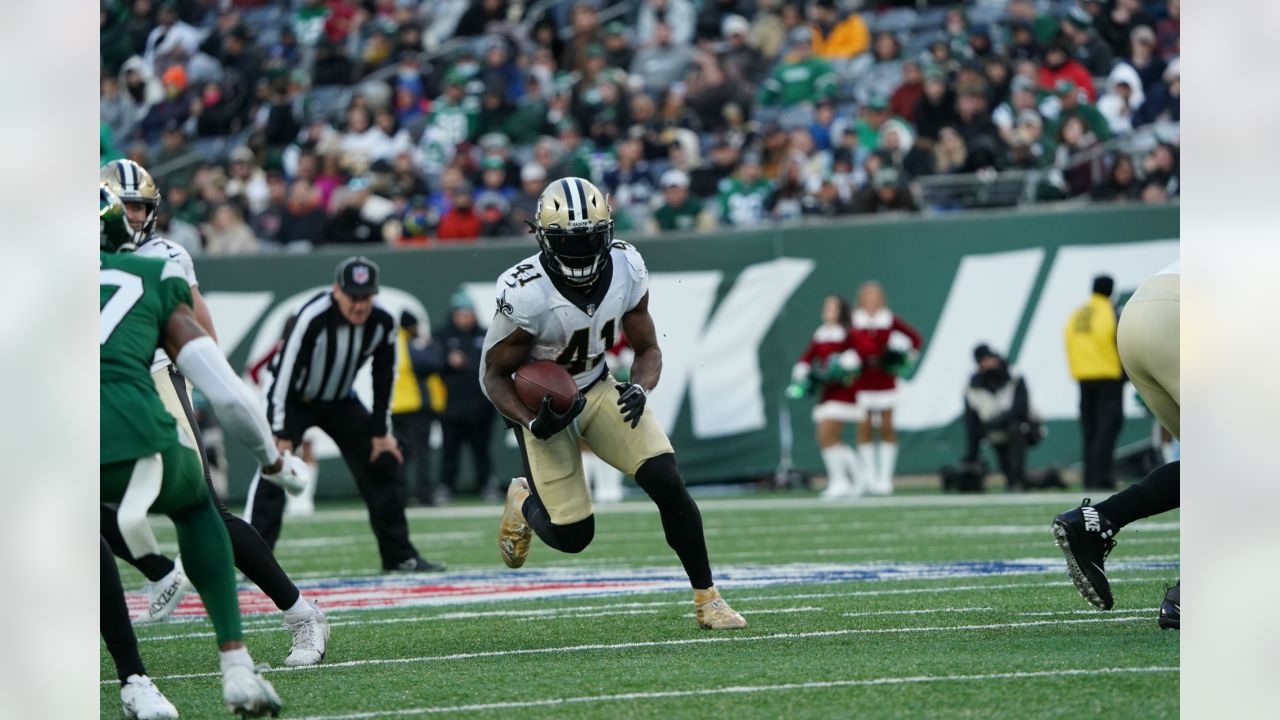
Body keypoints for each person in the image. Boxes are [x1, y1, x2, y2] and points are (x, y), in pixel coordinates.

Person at [480, 176, 747, 630]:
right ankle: (524, 499)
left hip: (599, 385)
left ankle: (708, 597)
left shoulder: (627, 266)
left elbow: (648, 348)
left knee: (666, 477)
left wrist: (640, 386)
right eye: (570, 241)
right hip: (545, 405)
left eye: (590, 239)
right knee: (573, 536)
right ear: (543, 237)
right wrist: (529, 420)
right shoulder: (525, 289)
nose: (582, 252)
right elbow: (493, 375)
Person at [99, 160, 329, 668]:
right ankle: (158, 573)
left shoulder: (166, 255)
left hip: (154, 376)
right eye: (123, 206)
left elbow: (200, 331)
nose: (131, 217)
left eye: (139, 206)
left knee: (204, 510)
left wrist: (207, 379)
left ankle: (299, 612)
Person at [249, 256, 447, 573]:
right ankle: (255, 561)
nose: (359, 306)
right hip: (296, 398)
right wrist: (281, 432)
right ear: (336, 291)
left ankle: (399, 556)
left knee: (384, 462)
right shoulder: (313, 316)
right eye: (353, 297)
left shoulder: (382, 320)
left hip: (341, 400)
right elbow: (283, 375)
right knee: (276, 467)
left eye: (366, 296)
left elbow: (384, 377)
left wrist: (382, 434)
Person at [1052, 261, 1179, 629]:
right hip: (1181, 317)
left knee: (1215, 465)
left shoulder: (1082, 311)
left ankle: (1097, 520)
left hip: (1138, 318)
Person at [848, 281, 923, 495]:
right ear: (861, 299)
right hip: (862, 382)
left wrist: (903, 361)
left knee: (887, 427)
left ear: (881, 299)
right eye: (867, 296)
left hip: (885, 380)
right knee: (864, 428)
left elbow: (915, 339)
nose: (871, 300)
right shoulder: (853, 321)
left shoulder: (889, 320)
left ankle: (885, 478)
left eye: (875, 296)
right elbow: (844, 346)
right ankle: (870, 476)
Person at [791, 295, 870, 499]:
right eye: (826, 307)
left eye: (833, 308)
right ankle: (848, 478)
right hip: (826, 393)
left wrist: (848, 361)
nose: (828, 310)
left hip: (844, 392)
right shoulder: (821, 333)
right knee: (826, 438)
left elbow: (864, 351)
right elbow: (808, 356)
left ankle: (847, 479)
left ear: (841, 311)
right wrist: (803, 369)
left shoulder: (848, 333)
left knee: (828, 434)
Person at [427, 292, 497, 502]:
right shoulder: (442, 336)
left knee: (482, 450)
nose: (465, 317)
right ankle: (446, 486)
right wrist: (447, 360)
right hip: (451, 406)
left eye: (469, 313)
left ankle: (486, 484)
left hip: (480, 404)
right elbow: (429, 363)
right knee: (450, 451)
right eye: (461, 313)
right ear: (454, 314)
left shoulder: (485, 334)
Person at [1064, 274, 1125, 490]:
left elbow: (1068, 340)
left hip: (1083, 377)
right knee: (1107, 428)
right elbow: (1122, 341)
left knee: (1089, 429)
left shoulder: (1078, 313)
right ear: (1110, 291)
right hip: (1108, 376)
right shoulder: (1109, 312)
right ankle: (1102, 477)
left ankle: (1089, 477)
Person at [963, 345, 1040, 492]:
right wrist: (972, 455)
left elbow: (1021, 408)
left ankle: (1017, 479)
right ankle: (1017, 479)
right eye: (985, 360)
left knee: (1016, 430)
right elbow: (972, 419)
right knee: (1006, 466)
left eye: (991, 359)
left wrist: (998, 420)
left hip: (1022, 427)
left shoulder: (1015, 376)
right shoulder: (974, 385)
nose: (990, 363)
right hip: (993, 429)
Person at [392, 310, 438, 507]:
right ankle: (423, 494)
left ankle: (399, 495)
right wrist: (430, 346)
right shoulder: (407, 344)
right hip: (412, 405)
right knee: (420, 453)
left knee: (401, 454)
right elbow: (431, 362)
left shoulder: (392, 343)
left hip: (395, 407)